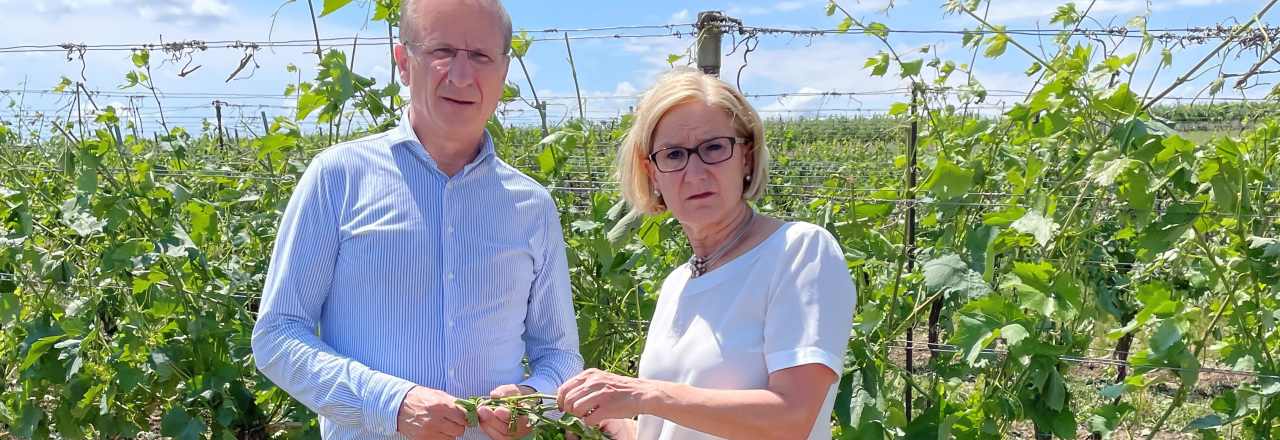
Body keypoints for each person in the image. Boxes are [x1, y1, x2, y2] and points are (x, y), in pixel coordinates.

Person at [250, 0, 583, 439]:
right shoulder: (338, 177)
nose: (461, 76)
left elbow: (559, 355)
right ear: (404, 63)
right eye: (441, 51)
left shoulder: (532, 206)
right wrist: (390, 403)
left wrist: (532, 397)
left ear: (503, 73)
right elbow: (277, 335)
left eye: (481, 56)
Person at [555, 68, 857, 440]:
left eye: (714, 148)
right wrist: (617, 425)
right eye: (674, 154)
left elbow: (793, 418)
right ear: (653, 174)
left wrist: (644, 395)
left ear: (746, 157)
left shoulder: (798, 252)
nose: (694, 173)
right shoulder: (677, 284)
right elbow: (675, 424)